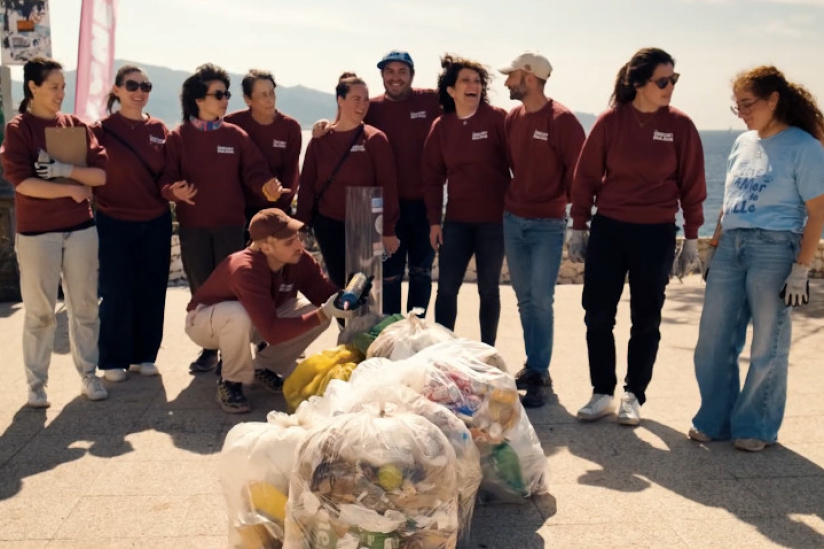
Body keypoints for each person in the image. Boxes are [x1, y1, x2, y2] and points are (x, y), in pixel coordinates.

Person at [690, 66, 824, 452]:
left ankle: (755, 426)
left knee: (768, 343)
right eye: (737, 107)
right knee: (713, 341)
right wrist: (714, 247)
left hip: (775, 247)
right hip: (731, 245)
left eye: (748, 104)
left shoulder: (805, 147)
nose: (742, 113)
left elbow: (817, 213)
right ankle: (713, 420)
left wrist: (800, 269)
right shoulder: (743, 143)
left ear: (774, 99)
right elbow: (730, 202)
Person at [570, 47, 706, 426]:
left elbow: (693, 186)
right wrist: (578, 226)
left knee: (646, 318)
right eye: (663, 81)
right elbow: (585, 179)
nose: (670, 87)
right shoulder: (610, 122)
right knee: (597, 315)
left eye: (673, 80)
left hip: (656, 233)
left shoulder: (680, 126)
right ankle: (601, 392)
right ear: (638, 83)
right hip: (610, 229)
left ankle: (634, 394)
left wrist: (692, 238)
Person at [159, 63, 282, 374]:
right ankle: (209, 348)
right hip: (193, 228)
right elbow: (165, 179)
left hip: (230, 227)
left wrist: (267, 186)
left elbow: (255, 172)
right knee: (202, 291)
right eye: (219, 94)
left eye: (227, 93)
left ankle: (231, 351)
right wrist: (175, 191)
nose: (226, 99)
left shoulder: (237, 136)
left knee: (233, 290)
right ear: (199, 99)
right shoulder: (178, 137)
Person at [0, 56, 109, 407]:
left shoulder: (75, 125)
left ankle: (89, 375)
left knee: (85, 308)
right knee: (40, 313)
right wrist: (71, 187)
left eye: (64, 86)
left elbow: (100, 176)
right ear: (33, 87)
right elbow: (24, 184)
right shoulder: (19, 129)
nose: (62, 93)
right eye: (54, 87)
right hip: (36, 235)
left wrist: (66, 170)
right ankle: (36, 384)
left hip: (80, 231)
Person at [185, 208, 360, 413]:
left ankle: (263, 367)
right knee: (238, 313)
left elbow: (325, 295)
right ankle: (231, 381)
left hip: (258, 317)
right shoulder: (244, 268)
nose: (299, 245)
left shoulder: (298, 258)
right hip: (205, 323)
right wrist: (323, 313)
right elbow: (272, 332)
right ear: (266, 247)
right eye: (289, 242)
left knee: (315, 311)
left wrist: (351, 296)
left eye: (296, 237)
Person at [498, 52, 586, 408]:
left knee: (541, 300)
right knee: (524, 301)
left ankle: (540, 372)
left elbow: (578, 176)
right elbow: (507, 163)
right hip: (512, 219)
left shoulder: (562, 120)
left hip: (548, 225)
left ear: (529, 78)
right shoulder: (513, 118)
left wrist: (571, 217)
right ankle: (533, 365)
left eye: (511, 75)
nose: (506, 81)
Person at [423, 54, 510, 346]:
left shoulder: (497, 118)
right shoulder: (441, 127)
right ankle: (443, 351)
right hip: (457, 223)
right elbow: (433, 179)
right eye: (466, 80)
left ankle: (488, 352)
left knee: (489, 289)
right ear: (451, 90)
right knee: (446, 288)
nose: (473, 85)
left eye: (477, 81)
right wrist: (435, 221)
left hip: (494, 222)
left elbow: (520, 164)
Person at [92, 65, 170, 382]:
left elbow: (170, 171)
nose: (139, 92)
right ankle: (112, 359)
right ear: (117, 90)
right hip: (112, 219)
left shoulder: (161, 129)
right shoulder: (100, 129)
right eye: (132, 85)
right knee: (116, 290)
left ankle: (144, 356)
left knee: (152, 289)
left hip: (156, 219)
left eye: (146, 86)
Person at [295, 72, 400, 291]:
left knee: (365, 292)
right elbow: (307, 185)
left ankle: (363, 327)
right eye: (356, 99)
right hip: (328, 223)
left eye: (366, 99)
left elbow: (388, 187)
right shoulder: (320, 140)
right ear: (340, 100)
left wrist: (388, 230)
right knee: (338, 286)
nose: (362, 104)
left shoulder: (375, 139)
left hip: (365, 222)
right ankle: (346, 327)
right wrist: (302, 225)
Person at [367, 51, 441, 316]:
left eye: (402, 71)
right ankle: (391, 334)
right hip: (387, 207)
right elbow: (345, 123)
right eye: (389, 72)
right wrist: (321, 126)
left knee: (421, 272)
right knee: (389, 275)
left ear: (412, 75)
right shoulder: (371, 108)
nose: (395, 77)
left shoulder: (431, 100)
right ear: (382, 76)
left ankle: (416, 333)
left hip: (424, 205)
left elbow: (464, 107)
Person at [225, 69, 302, 220]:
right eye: (263, 95)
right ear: (248, 99)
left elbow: (291, 173)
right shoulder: (232, 123)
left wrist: (278, 205)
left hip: (277, 209)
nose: (270, 99)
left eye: (272, 93)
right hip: (239, 211)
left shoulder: (290, 127)